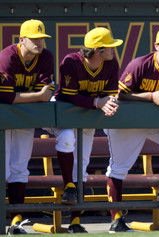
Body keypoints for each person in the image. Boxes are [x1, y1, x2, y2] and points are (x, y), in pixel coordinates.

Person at [105, 28, 159, 231]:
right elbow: (120, 95)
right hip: (129, 121)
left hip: (155, 121)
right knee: (119, 168)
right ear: (156, 47)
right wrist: (150, 96)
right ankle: (116, 219)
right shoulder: (140, 64)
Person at [49, 27, 122, 233]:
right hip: (63, 111)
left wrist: (108, 101)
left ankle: (74, 222)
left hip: (87, 114)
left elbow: (109, 95)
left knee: (81, 166)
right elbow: (70, 96)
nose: (113, 50)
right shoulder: (71, 62)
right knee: (66, 137)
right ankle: (69, 186)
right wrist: (98, 102)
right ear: (98, 50)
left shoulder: (110, 64)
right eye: (109, 47)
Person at [0, 19, 54, 235]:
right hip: (3, 117)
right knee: (2, 168)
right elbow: (4, 96)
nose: (39, 43)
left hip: (23, 117)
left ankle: (16, 220)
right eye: (34, 39)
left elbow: (46, 93)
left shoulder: (46, 57)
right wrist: (36, 97)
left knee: (19, 169)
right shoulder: (7, 57)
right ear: (21, 39)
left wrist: (34, 97)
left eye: (41, 39)